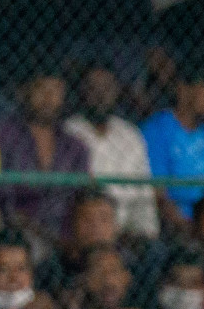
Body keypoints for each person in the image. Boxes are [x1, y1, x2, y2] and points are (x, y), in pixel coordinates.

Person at [63, 62, 160, 240]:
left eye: (107, 87)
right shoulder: (69, 132)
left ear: (117, 91)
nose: (101, 94)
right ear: (82, 91)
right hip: (86, 231)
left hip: (128, 232)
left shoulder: (130, 135)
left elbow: (144, 191)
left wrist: (146, 233)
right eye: (93, 88)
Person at [0, 66, 90, 234]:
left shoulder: (75, 146)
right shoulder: (3, 137)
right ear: (25, 91)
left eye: (56, 90)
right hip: (16, 230)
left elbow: (81, 195)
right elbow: (1, 195)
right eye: (41, 88)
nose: (48, 97)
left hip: (65, 233)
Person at [142, 61, 204, 227]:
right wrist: (187, 226)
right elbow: (158, 194)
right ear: (184, 89)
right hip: (172, 226)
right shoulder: (157, 129)